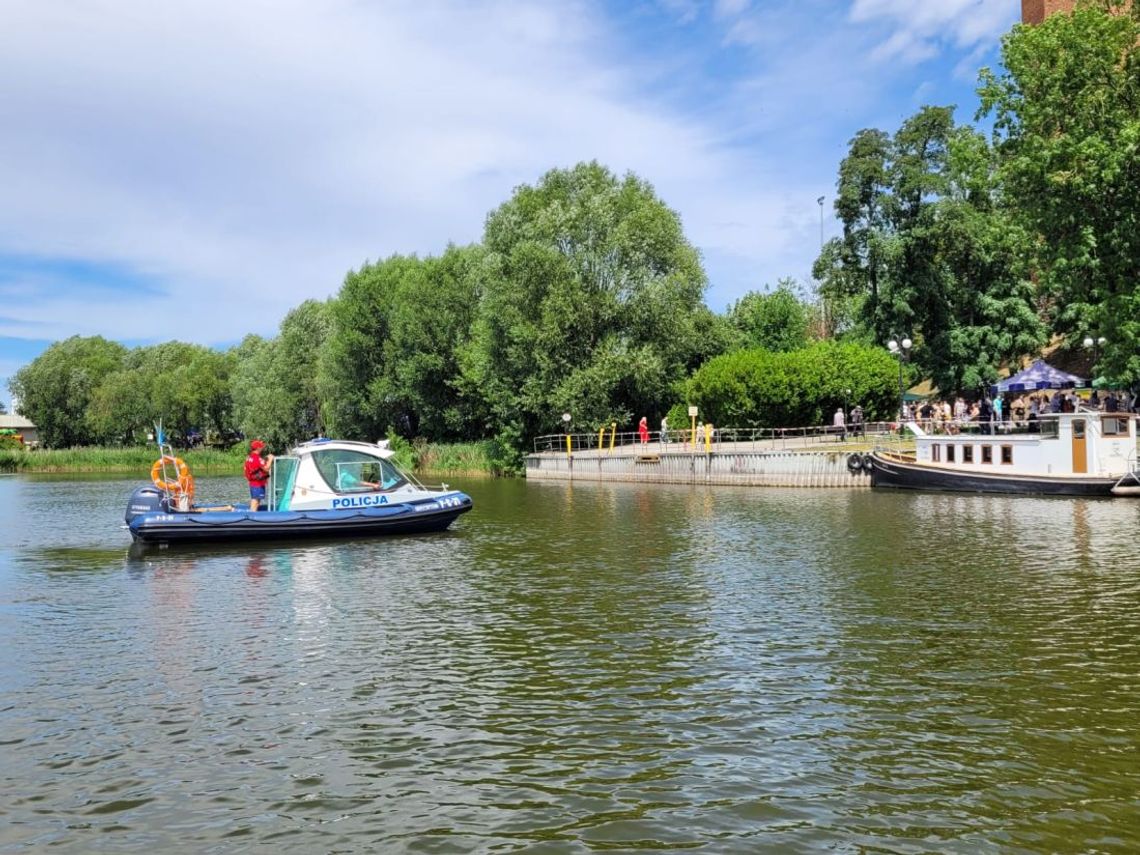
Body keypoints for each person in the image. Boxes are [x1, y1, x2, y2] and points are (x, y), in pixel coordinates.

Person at [244, 440, 274, 511]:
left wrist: (265, 460)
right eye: (261, 446)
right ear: (258, 448)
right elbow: (266, 469)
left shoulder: (250, 457)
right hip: (258, 484)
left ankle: (252, 514)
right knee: (255, 502)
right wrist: (270, 459)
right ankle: (251, 517)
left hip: (253, 483)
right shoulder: (257, 458)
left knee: (256, 501)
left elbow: (252, 468)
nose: (262, 448)